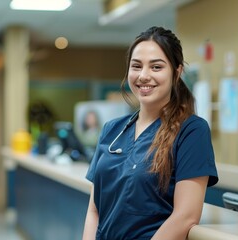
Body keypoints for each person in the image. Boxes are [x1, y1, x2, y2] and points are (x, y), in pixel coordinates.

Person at [82, 26, 218, 240]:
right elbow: (94, 210)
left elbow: (186, 216)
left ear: (177, 72)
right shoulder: (112, 130)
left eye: (156, 67)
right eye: (136, 66)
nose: (144, 76)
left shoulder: (191, 131)